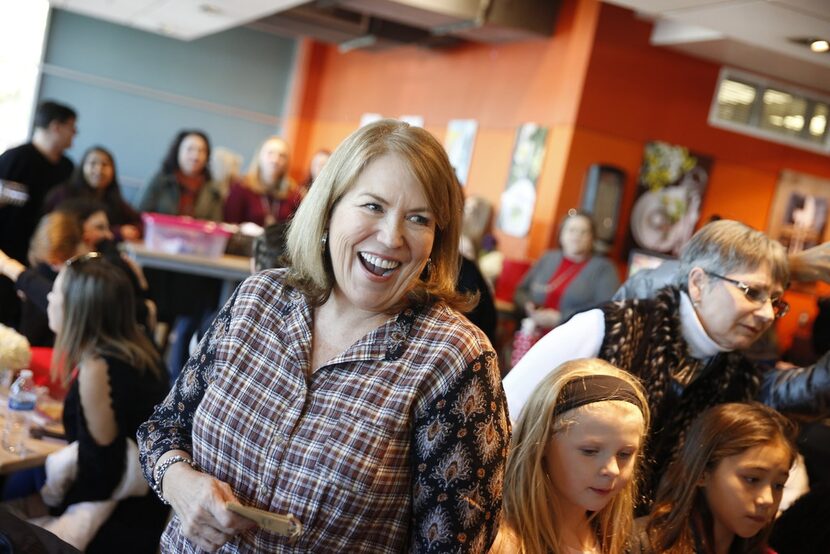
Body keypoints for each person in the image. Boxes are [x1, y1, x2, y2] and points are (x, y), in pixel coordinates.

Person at [137, 119, 510, 552]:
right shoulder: (260, 299)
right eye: (373, 206)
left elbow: (454, 547)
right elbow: (163, 429)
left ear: (436, 239)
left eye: (418, 218)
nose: (391, 237)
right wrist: (179, 481)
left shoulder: (453, 358)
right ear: (329, 208)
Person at [504, 220, 830, 505]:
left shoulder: (735, 375)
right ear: (698, 283)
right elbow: (504, 415)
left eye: (776, 301)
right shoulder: (610, 327)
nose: (766, 313)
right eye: (752, 292)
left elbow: (810, 391)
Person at [5, 253, 169, 552]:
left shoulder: (99, 367)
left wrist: (45, 505)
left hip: (118, 522)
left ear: (77, 308)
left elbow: (102, 471)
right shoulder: (138, 346)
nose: (50, 298)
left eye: (56, 292)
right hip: (144, 504)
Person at [490, 359, 650, 554]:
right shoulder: (504, 544)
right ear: (541, 445)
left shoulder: (620, 540)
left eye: (625, 454)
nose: (612, 470)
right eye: (590, 451)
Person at [634, 402, 797, 554]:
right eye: (752, 479)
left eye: (778, 485)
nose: (767, 500)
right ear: (702, 473)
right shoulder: (641, 543)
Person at [0, 100, 77, 326]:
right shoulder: (14, 159)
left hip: (45, 255)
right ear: (56, 127)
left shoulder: (66, 167)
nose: (74, 134)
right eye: (72, 127)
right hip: (8, 250)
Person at [513, 210, 619, 331]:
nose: (577, 236)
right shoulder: (547, 258)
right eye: (571, 230)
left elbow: (605, 309)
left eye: (584, 232)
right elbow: (520, 291)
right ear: (561, 235)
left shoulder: (604, 268)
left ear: (592, 238)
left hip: (572, 338)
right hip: (531, 334)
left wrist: (561, 318)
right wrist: (528, 305)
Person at [0, 212, 84, 346]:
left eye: (57, 261)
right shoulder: (41, 267)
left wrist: (8, 266)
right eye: (50, 262)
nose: (54, 266)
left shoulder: (83, 277)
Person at [45, 146, 143, 241]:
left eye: (104, 164)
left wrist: (133, 231)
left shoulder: (114, 199)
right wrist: (116, 232)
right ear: (82, 167)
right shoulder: (64, 194)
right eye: (92, 163)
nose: (99, 170)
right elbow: (64, 230)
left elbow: (141, 222)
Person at [136, 129, 223, 221]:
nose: (195, 156)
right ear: (178, 151)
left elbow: (216, 223)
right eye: (190, 149)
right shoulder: (161, 179)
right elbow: (140, 214)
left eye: (202, 151)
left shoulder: (213, 189)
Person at [223, 136, 301, 226]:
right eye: (270, 153)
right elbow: (229, 224)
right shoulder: (241, 187)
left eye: (282, 156)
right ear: (259, 156)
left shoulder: (293, 193)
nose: (275, 160)